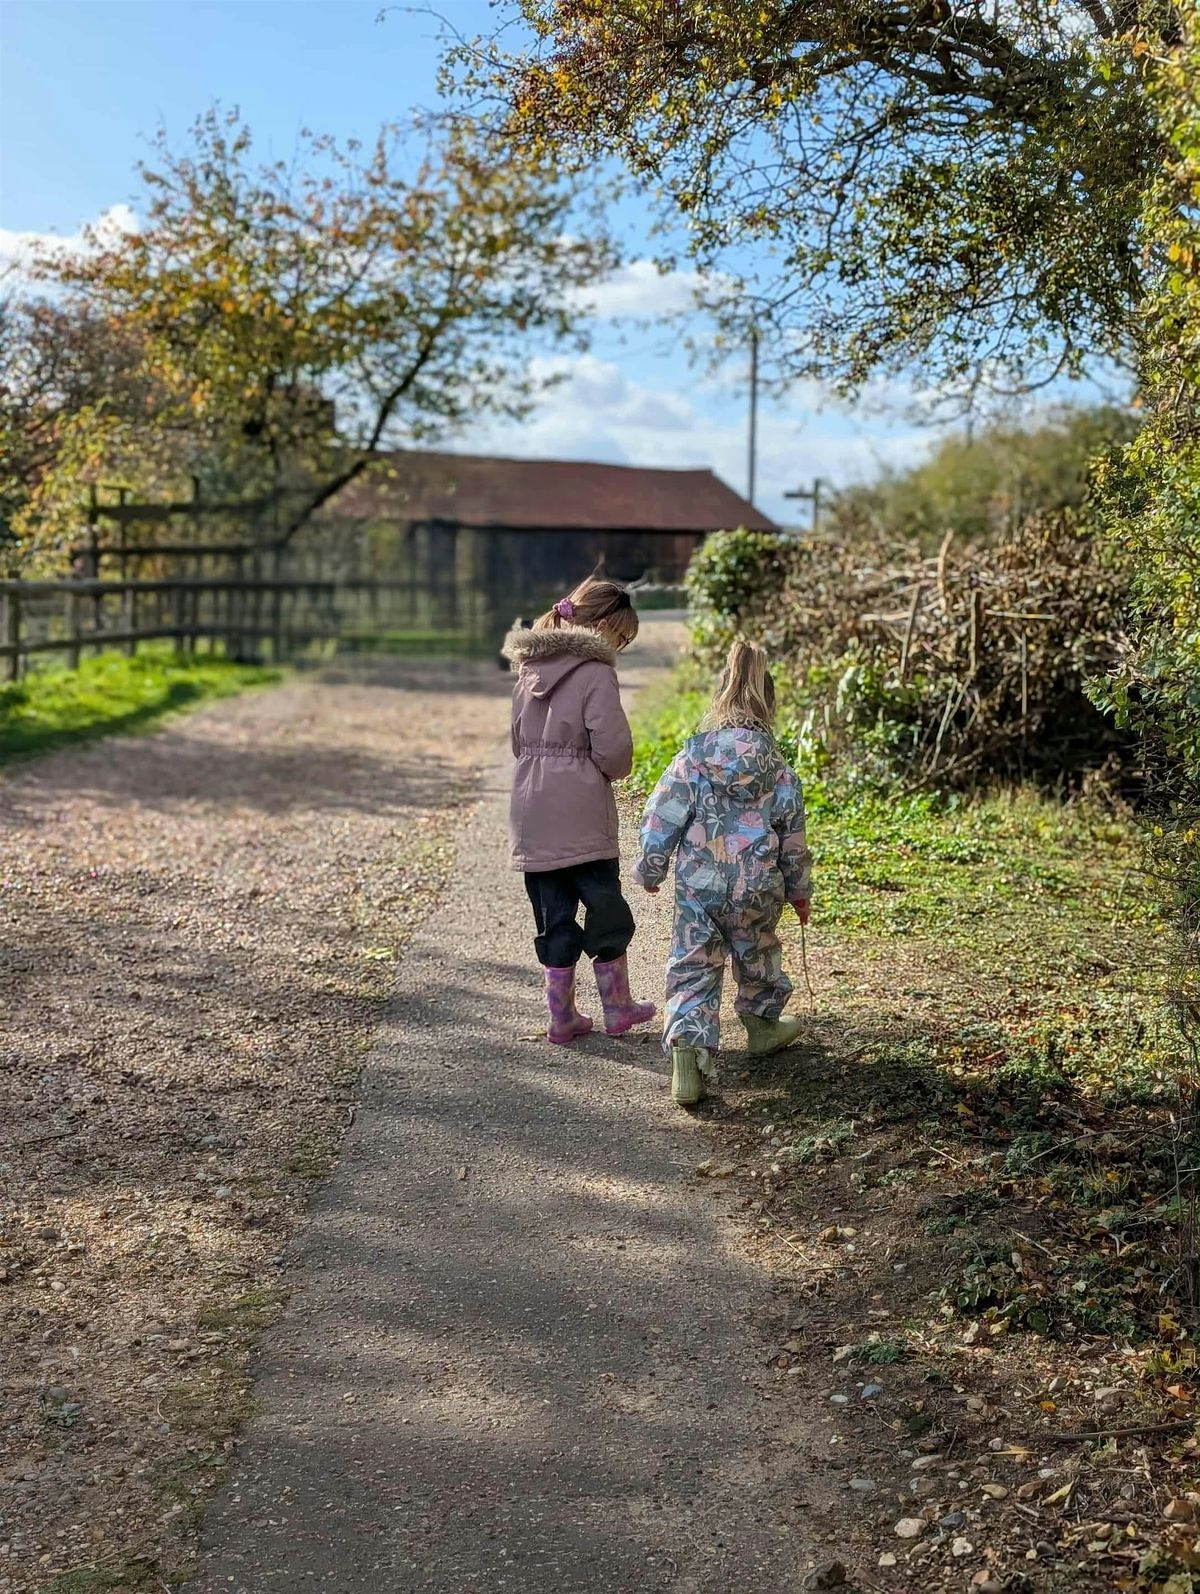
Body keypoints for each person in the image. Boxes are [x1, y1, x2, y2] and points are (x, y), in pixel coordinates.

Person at [634, 639, 812, 1107]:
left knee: (693, 963)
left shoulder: (692, 759)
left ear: (719, 697)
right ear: (769, 703)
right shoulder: (778, 768)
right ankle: (762, 1026)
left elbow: (662, 816)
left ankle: (687, 1064)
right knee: (758, 953)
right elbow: (793, 838)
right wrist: (799, 891)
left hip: (700, 886)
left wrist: (651, 867)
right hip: (757, 885)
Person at [502, 577, 657, 1045]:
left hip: (531, 808)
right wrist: (607, 769)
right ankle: (617, 1006)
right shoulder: (596, 672)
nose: (619, 648)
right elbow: (613, 751)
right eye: (621, 638)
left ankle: (562, 1017)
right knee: (605, 906)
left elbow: (517, 741)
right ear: (604, 625)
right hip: (583, 810)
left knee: (552, 913)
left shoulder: (528, 668)